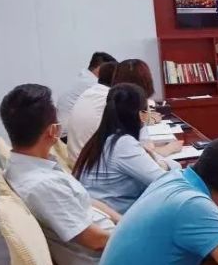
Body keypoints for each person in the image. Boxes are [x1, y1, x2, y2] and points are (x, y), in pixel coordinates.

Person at [0, 84, 119, 265]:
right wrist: (140, 238)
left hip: (109, 247)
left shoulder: (27, 165)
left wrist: (124, 221)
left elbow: (87, 201)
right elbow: (96, 241)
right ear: (53, 131)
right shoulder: (42, 185)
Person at [74, 84, 181, 214]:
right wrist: (170, 165)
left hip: (105, 213)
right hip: (119, 217)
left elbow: (152, 161)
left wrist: (162, 164)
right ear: (142, 115)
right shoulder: (123, 144)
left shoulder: (104, 137)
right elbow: (167, 182)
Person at [56, 51, 116, 126]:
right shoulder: (93, 84)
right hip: (69, 130)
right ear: (99, 69)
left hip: (62, 126)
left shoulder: (83, 77)